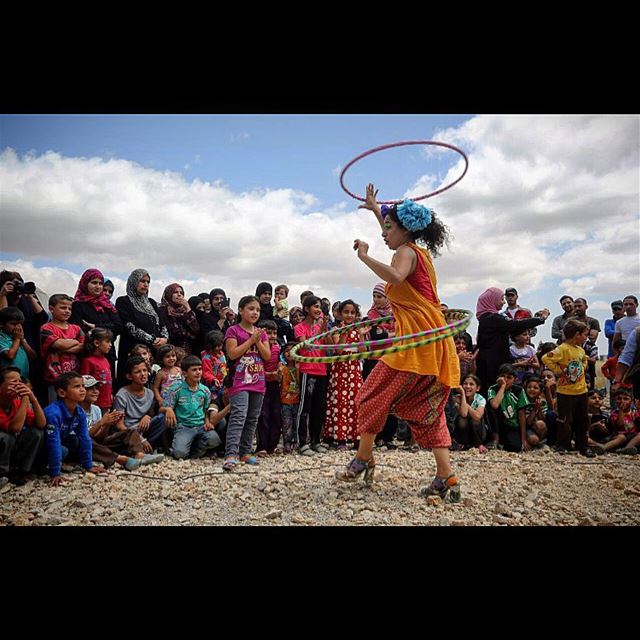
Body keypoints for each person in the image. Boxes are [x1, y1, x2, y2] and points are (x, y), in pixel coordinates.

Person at [335, 184, 461, 501]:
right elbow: (395, 240)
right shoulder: (414, 250)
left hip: (417, 342)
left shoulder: (405, 253)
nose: (383, 234)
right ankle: (447, 477)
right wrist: (378, 210)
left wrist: (364, 256)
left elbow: (395, 276)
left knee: (371, 393)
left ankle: (363, 459)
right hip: (431, 339)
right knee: (424, 407)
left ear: (403, 229)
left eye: (388, 228)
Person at [222, 295, 271, 471]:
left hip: (258, 380)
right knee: (238, 415)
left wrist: (258, 341)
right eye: (251, 308)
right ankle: (231, 454)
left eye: (257, 310)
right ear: (241, 310)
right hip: (239, 381)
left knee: (252, 418)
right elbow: (232, 354)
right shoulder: (233, 331)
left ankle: (245, 452)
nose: (255, 312)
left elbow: (267, 356)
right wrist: (251, 341)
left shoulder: (261, 333)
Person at [475, 287, 549, 395]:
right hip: (492, 365)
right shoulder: (492, 318)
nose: (504, 302)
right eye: (501, 299)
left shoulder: (486, 318)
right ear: (492, 300)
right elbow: (515, 325)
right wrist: (540, 319)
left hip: (487, 363)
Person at [79, 375, 162, 470]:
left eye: (96, 388)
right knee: (87, 441)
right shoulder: (77, 411)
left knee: (130, 432)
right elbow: (85, 438)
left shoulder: (96, 409)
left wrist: (107, 424)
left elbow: (100, 437)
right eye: (90, 389)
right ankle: (122, 460)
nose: (95, 391)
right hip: (86, 446)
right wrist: (101, 423)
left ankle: (140, 455)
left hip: (98, 444)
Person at [542, 319, 595, 456]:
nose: (586, 337)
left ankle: (582, 445)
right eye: (584, 334)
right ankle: (563, 444)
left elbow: (584, 360)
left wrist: (583, 366)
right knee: (564, 419)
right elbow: (546, 359)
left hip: (581, 391)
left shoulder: (580, 350)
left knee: (582, 419)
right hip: (565, 392)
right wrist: (559, 371)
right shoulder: (562, 349)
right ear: (577, 334)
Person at [43, 371, 106, 486]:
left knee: (75, 440)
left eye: (83, 386)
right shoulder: (53, 413)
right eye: (77, 386)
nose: (82, 390)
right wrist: (55, 473)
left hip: (60, 442)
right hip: (43, 446)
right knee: (62, 450)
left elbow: (85, 438)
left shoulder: (79, 411)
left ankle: (64, 462)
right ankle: (43, 467)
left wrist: (88, 465)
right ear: (62, 393)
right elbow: (53, 443)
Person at [115, 269, 168, 389]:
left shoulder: (152, 303)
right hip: (133, 352)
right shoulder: (123, 301)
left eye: (148, 282)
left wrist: (165, 338)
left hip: (153, 352)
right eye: (142, 281)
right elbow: (129, 326)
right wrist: (152, 339)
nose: (145, 284)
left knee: (153, 387)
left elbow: (162, 324)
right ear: (133, 282)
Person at [162, 355, 222, 459]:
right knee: (179, 454)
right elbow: (163, 407)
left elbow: (206, 410)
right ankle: (185, 448)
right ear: (185, 373)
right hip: (183, 427)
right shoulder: (176, 390)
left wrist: (207, 421)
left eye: (200, 369)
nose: (198, 372)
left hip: (200, 426)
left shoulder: (205, 390)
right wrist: (168, 409)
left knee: (215, 440)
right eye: (194, 370)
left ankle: (194, 451)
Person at [324, 299, 365, 450]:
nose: (349, 315)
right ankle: (339, 438)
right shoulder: (336, 330)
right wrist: (344, 333)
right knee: (341, 402)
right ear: (340, 314)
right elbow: (338, 351)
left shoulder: (358, 330)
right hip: (341, 370)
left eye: (352, 312)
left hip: (354, 370)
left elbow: (363, 353)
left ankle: (355, 437)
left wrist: (360, 335)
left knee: (356, 402)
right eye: (346, 312)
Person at [294, 295, 331, 456]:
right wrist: (317, 334)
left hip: (322, 370)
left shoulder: (321, 327)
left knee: (319, 407)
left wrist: (324, 331)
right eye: (315, 306)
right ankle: (302, 442)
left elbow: (330, 345)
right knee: (305, 408)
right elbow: (304, 348)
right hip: (307, 370)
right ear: (307, 308)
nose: (318, 310)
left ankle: (316, 441)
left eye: (320, 307)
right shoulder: (300, 327)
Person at [70, 268, 122, 381]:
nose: (98, 286)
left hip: (108, 354)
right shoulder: (78, 305)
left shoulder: (107, 305)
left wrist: (95, 326)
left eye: (100, 283)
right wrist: (107, 327)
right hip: (89, 355)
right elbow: (79, 328)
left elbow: (119, 326)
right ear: (85, 283)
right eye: (94, 282)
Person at [0, 366, 46, 486]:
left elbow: (41, 423)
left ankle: (22, 471)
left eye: (20, 382)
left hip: (13, 446)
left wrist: (32, 399)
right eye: (13, 382)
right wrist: (25, 398)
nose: (19, 385)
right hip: (4, 444)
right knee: (6, 436)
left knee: (37, 433)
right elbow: (14, 428)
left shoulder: (16, 401)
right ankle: (2, 473)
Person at [112, 356, 167, 452]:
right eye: (138, 372)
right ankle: (140, 447)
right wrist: (140, 439)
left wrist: (147, 417)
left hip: (143, 429)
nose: (143, 374)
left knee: (162, 418)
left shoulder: (150, 393)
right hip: (128, 431)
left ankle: (144, 447)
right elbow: (119, 425)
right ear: (129, 376)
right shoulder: (122, 395)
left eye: (145, 370)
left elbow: (151, 413)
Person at [40, 294, 86, 403]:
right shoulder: (46, 328)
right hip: (54, 379)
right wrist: (74, 342)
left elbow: (83, 346)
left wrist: (61, 346)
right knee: (56, 408)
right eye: (63, 307)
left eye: (69, 308)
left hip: (75, 378)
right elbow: (58, 344)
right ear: (51, 308)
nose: (67, 311)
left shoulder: (77, 328)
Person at [255, 320, 282, 456]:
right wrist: (269, 375)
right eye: (269, 333)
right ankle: (262, 446)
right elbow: (255, 368)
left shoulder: (278, 347)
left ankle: (273, 445)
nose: (272, 336)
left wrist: (279, 369)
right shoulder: (257, 348)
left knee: (276, 414)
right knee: (263, 415)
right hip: (261, 383)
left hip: (274, 385)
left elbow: (279, 363)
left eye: (274, 333)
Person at [592, 387, 640, 455]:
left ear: (631, 401)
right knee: (621, 437)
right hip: (619, 437)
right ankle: (603, 448)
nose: (622, 401)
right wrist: (621, 411)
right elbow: (619, 425)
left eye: (626, 399)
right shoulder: (614, 414)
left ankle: (627, 448)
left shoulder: (635, 413)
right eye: (619, 399)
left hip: (633, 438)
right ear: (615, 400)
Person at [487, 364, 523, 452]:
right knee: (490, 408)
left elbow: (522, 414)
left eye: (509, 377)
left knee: (515, 447)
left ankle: (504, 442)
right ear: (498, 377)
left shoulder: (519, 391)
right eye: (502, 376)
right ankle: (495, 439)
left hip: (512, 424)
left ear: (515, 380)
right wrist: (502, 387)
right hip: (497, 423)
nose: (505, 380)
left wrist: (524, 439)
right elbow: (495, 405)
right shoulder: (493, 388)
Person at [158, 283, 200, 355]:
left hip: (187, 352)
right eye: (175, 292)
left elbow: (196, 330)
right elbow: (170, 333)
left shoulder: (186, 312)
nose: (179, 295)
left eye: (181, 293)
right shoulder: (162, 311)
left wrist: (188, 308)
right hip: (169, 353)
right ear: (169, 294)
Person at [79, 327, 114, 412]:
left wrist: (111, 394)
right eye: (107, 342)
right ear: (96, 343)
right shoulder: (88, 361)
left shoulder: (105, 360)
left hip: (107, 402)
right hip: (95, 403)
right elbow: (84, 383)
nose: (111, 345)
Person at [451, 374, 488, 452]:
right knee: (462, 420)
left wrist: (464, 403)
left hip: (478, 433)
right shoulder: (457, 397)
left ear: (477, 388)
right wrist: (463, 395)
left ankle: (478, 444)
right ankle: (463, 444)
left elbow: (477, 416)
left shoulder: (480, 399)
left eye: (471, 384)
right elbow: (464, 414)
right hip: (462, 433)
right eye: (465, 384)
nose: (467, 386)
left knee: (475, 420)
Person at [0, 307, 37, 379]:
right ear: (2, 324)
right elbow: (10, 356)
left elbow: (33, 356)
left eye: (20, 324)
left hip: (24, 378)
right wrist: (17, 339)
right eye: (13, 324)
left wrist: (22, 340)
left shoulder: (19, 337)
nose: (17, 327)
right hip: (8, 379)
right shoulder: (2, 338)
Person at [516, 375, 549, 452]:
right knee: (534, 440)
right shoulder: (524, 401)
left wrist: (539, 408)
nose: (532, 389)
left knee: (541, 424)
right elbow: (528, 422)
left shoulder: (543, 402)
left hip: (538, 427)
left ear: (540, 391)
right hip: (528, 427)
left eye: (535, 388)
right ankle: (532, 442)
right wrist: (534, 410)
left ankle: (542, 442)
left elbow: (544, 419)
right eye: (529, 387)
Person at [279, 341, 301, 453]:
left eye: (292, 350)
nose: (290, 353)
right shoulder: (283, 368)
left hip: (297, 400)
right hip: (285, 401)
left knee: (297, 421)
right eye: (287, 351)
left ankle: (296, 441)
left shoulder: (300, 368)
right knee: (286, 422)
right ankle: (286, 442)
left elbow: (299, 381)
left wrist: (298, 369)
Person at [152, 344, 183, 411]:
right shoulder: (161, 373)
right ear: (161, 359)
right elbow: (155, 388)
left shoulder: (179, 370)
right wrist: (159, 399)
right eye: (167, 356)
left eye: (173, 356)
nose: (171, 358)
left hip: (180, 399)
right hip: (166, 401)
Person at [200, 330, 227, 405]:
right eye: (216, 346)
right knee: (213, 404)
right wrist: (213, 379)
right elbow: (206, 372)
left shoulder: (222, 354)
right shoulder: (207, 358)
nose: (218, 348)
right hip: (212, 387)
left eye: (220, 345)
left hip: (223, 384)